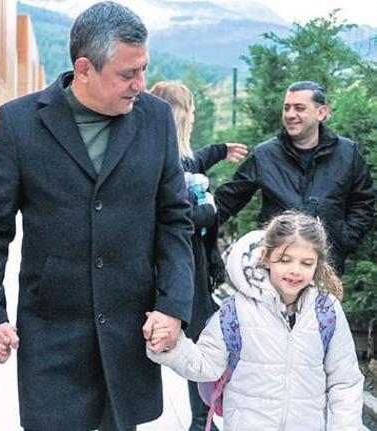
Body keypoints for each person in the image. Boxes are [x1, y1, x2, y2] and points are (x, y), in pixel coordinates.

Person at [0, 2, 195, 430]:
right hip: (52, 331)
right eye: (128, 74)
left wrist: (173, 305)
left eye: (143, 69)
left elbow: (174, 220)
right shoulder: (20, 122)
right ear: (84, 68)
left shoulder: (157, 119)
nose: (140, 84)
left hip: (129, 329)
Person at [147, 211, 364, 430]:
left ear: (317, 264)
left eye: (307, 263)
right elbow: (206, 365)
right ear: (266, 258)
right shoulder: (236, 311)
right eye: (285, 260)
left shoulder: (326, 312)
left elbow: (345, 382)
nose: (295, 270)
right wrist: (173, 345)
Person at [149, 81, 248, 431]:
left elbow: (196, 159)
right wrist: (210, 209)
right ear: (180, 115)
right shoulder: (165, 161)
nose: (193, 118)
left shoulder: (166, 154)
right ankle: (200, 422)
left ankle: (201, 421)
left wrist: (221, 150)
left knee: (198, 344)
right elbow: (178, 217)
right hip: (180, 268)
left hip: (187, 267)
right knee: (200, 345)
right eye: (189, 112)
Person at [215, 80, 375, 275]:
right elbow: (228, 200)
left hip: (326, 267)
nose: (290, 115)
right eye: (287, 108)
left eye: (299, 108)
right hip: (275, 268)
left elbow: (363, 203)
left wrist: (344, 240)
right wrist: (193, 222)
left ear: (321, 113)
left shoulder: (348, 153)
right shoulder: (265, 155)